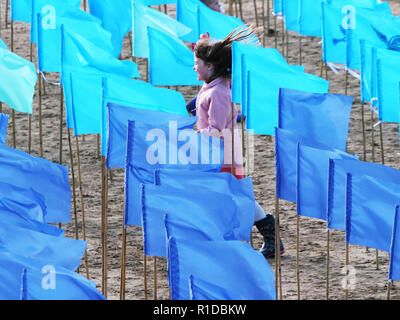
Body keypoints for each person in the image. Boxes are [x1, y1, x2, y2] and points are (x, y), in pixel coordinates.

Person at [193, 26, 284, 259]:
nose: (195, 66)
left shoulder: (220, 93)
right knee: (230, 193)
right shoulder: (212, 85)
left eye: (198, 62)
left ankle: (270, 236)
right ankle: (267, 234)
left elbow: (218, 128)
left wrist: (193, 135)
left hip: (222, 151)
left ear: (210, 66)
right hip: (214, 150)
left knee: (237, 194)